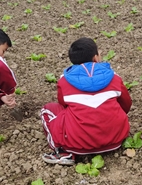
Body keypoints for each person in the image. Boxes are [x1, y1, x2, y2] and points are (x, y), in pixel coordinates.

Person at [41, 37, 132, 165]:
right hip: (116, 140)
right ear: (96, 58)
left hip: (77, 145)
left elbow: (63, 105)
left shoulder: (64, 80)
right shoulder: (114, 77)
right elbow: (126, 104)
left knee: (47, 109)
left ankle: (61, 151)